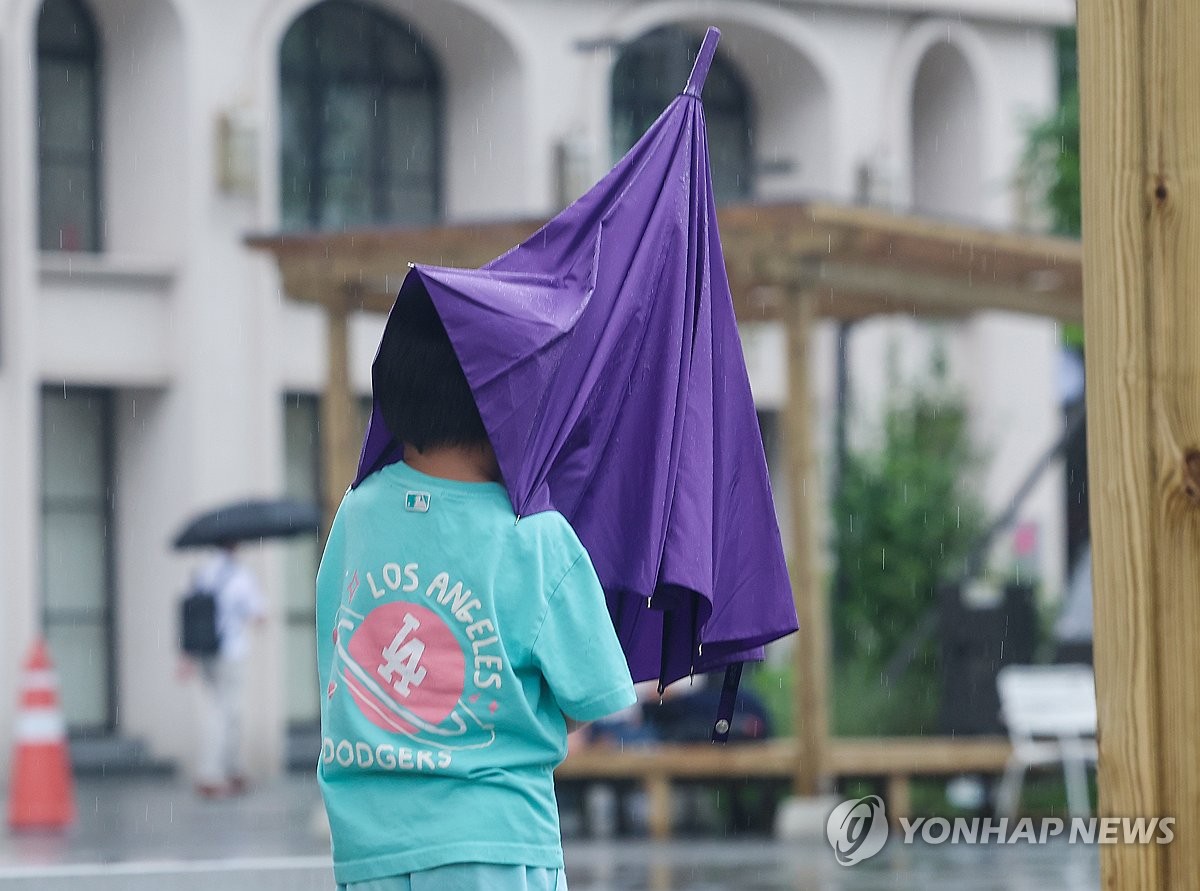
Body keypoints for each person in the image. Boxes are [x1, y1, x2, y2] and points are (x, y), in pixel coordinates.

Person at [316, 281, 637, 891]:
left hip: (369, 846)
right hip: (495, 843)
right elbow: (589, 697)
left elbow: (342, 664)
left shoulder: (356, 516)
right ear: (513, 407)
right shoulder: (534, 538)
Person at [180, 541, 266, 798]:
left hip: (206, 652)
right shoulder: (241, 577)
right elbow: (259, 613)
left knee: (225, 710)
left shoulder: (203, 573)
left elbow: (189, 613)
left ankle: (232, 768)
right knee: (225, 712)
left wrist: (186, 655)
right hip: (231, 652)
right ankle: (212, 774)